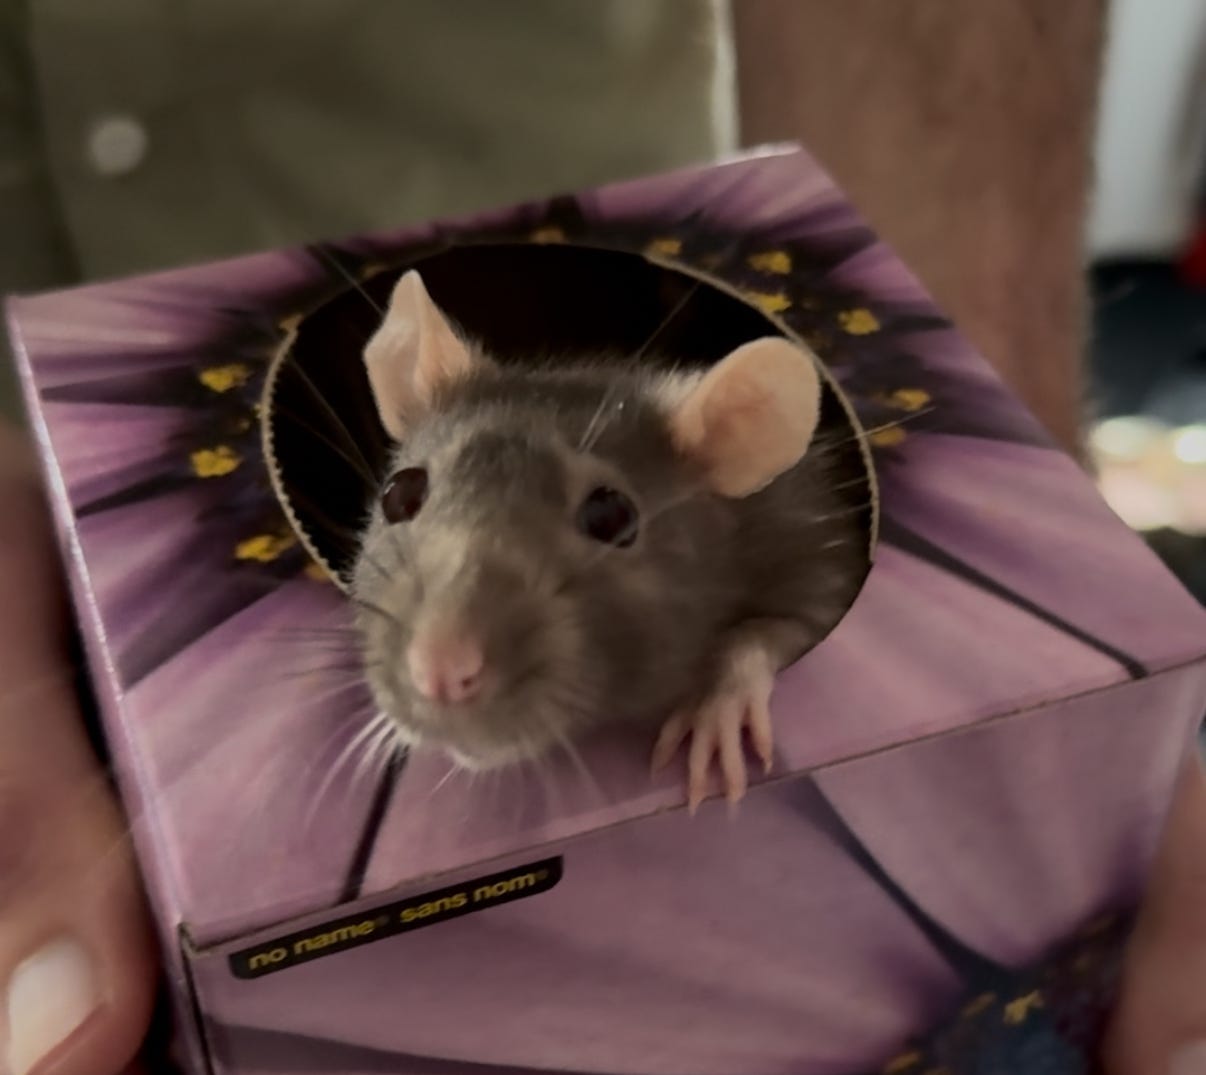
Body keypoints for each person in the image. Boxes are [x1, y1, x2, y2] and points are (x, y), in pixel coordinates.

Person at [0, 3, 1200, 1073]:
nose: (443, 664)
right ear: (400, 388)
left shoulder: (753, 504)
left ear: (737, 438)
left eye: (608, 519)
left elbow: (836, 562)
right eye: (408, 502)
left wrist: (1022, 601)